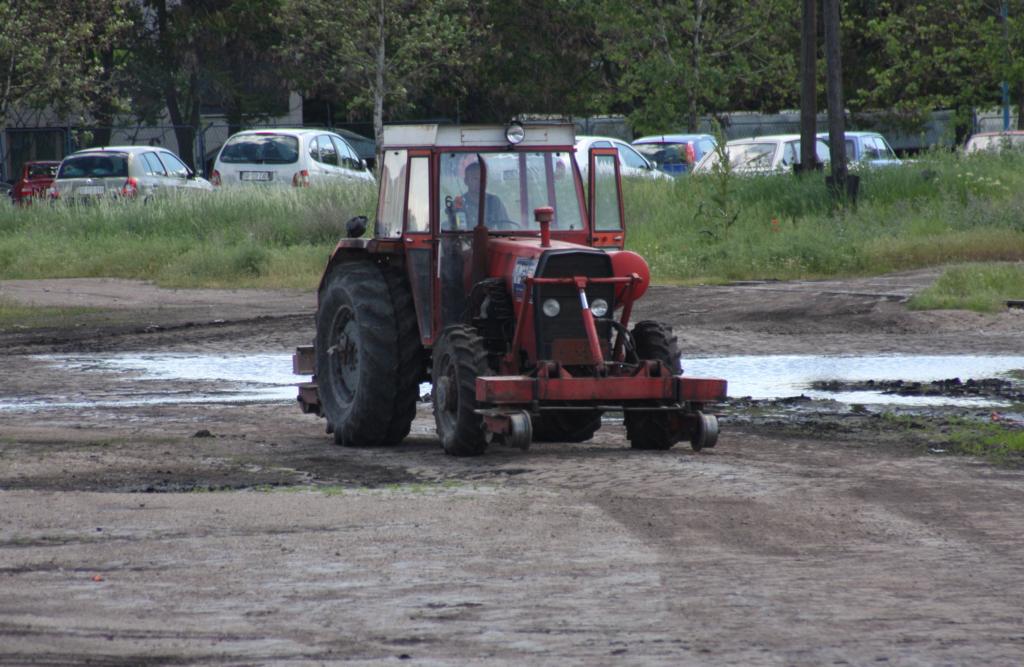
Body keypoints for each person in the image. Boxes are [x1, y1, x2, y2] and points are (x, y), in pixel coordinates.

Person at [457, 161, 513, 229]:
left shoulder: (494, 201)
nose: (480, 182)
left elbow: (506, 228)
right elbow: (455, 230)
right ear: (466, 181)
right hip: (467, 239)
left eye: (483, 178)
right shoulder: (459, 202)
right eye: (475, 178)